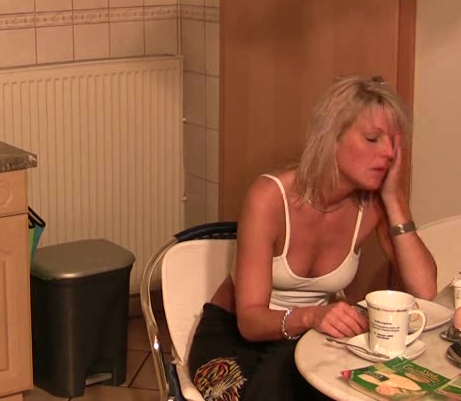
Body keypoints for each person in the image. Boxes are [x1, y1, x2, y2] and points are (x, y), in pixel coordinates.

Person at [188, 76, 438, 401]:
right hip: (236, 337)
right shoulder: (269, 197)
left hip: (307, 340)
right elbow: (249, 321)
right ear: (332, 137)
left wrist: (394, 199)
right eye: (373, 139)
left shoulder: (374, 204)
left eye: (394, 143)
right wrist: (311, 316)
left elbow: (425, 290)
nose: (389, 153)